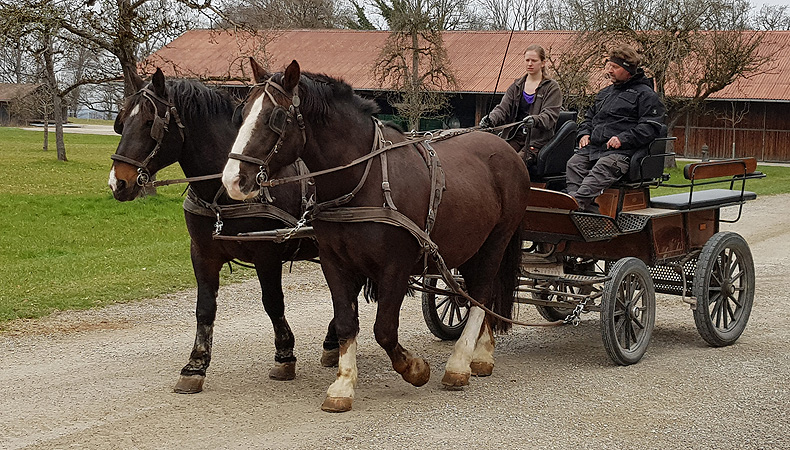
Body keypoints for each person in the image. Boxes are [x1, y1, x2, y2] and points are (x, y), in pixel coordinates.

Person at [566, 44, 665, 213]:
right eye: (609, 66)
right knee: (574, 163)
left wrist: (623, 138)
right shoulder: (604, 94)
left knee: (603, 166)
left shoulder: (646, 95)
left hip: (623, 154)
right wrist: (584, 133)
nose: (609, 70)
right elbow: (589, 118)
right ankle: (587, 212)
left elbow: (651, 126)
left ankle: (574, 205)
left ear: (629, 70)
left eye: (615, 67)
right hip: (595, 148)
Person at [479, 44, 562, 177]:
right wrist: (491, 119)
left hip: (537, 141)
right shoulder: (516, 86)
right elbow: (503, 109)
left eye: (534, 60)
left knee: (513, 165)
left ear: (543, 63)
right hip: (514, 137)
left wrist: (535, 120)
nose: (530, 64)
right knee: (492, 160)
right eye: (527, 60)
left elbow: (549, 116)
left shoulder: (552, 88)